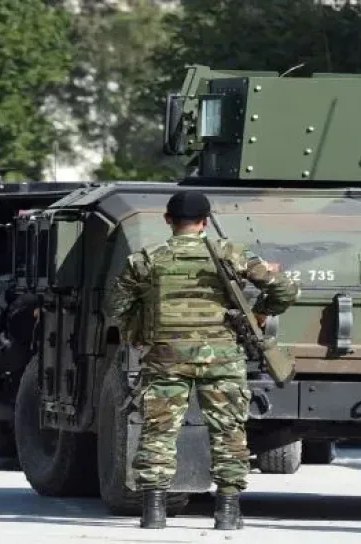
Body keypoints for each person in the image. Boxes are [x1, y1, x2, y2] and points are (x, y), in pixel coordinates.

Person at [105, 190, 300, 531]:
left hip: (164, 357)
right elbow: (285, 289)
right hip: (222, 358)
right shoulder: (230, 254)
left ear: (168, 220)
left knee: (158, 431)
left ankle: (153, 512)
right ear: (205, 222)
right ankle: (228, 512)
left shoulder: (146, 259)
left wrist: (138, 332)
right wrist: (259, 313)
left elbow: (117, 307)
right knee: (228, 432)